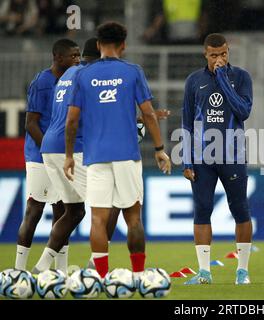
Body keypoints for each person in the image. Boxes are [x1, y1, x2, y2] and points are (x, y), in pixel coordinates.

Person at [64, 22, 171, 281]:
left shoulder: (82, 75)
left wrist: (68, 156)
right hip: (126, 155)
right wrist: (159, 149)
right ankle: (139, 276)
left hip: (96, 157)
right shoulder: (132, 71)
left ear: (98, 45)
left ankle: (100, 278)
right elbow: (148, 114)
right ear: (123, 45)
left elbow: (71, 121)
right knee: (133, 219)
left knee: (99, 219)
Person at [181, 33, 253, 285]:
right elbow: (187, 122)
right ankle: (204, 273)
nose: (219, 59)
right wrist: (186, 160)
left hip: (232, 154)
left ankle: (242, 272)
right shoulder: (194, 81)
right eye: (214, 55)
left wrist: (223, 79)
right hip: (202, 158)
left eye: (223, 54)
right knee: (202, 210)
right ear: (205, 54)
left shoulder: (241, 77)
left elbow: (243, 111)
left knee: (240, 209)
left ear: (227, 51)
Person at [15, 38, 80, 272]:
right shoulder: (42, 81)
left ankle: (59, 271)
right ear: (57, 57)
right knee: (34, 209)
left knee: (64, 211)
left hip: (60, 155)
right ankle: (19, 270)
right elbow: (30, 123)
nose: (78, 59)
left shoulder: (72, 81)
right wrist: (48, 150)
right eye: (73, 56)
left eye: (79, 55)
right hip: (39, 155)